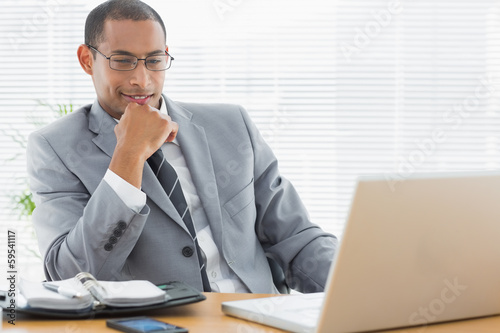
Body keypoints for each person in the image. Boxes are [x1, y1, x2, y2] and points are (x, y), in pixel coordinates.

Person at [27, 0, 337, 293]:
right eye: (122, 60)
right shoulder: (54, 148)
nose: (141, 79)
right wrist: (128, 156)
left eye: (154, 60)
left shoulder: (232, 124)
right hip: (162, 322)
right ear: (86, 60)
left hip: (260, 316)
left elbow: (295, 238)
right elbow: (70, 275)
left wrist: (362, 286)